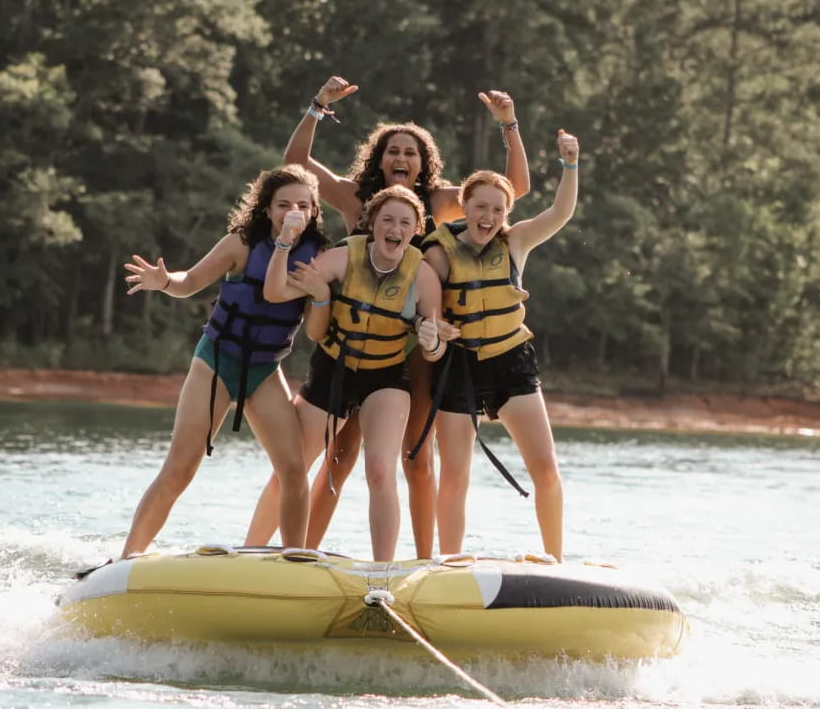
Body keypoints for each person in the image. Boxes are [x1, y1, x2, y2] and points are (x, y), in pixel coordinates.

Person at [245, 75, 530, 558]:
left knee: (414, 457)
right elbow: (295, 162)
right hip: (350, 339)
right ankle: (296, 555)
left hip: (413, 346)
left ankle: (423, 563)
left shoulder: (440, 201)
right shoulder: (356, 197)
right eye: (393, 151)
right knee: (336, 456)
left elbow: (512, 189)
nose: (401, 159)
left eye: (411, 152)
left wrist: (509, 125)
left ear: (425, 163)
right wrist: (318, 105)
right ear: (379, 158)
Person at [119, 164, 331, 559]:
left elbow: (318, 324)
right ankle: (126, 559)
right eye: (283, 204)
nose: (293, 211)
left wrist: (321, 293)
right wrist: (164, 281)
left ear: (315, 210)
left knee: (294, 471)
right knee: (181, 468)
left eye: (303, 204)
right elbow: (191, 282)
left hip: (266, 369)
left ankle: (295, 560)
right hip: (217, 361)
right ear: (267, 209)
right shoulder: (242, 243)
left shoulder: (318, 256)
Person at [260, 185, 449, 561]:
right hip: (333, 369)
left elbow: (436, 348)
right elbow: (277, 291)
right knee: (291, 467)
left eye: (405, 222)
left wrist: (430, 342)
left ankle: (383, 573)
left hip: (385, 377)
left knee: (380, 470)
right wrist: (286, 249)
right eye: (387, 219)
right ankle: (251, 551)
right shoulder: (342, 258)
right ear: (372, 224)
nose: (395, 228)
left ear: (415, 230)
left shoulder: (423, 277)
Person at [421, 129, 580, 563]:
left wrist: (570, 164)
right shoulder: (438, 251)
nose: (488, 216)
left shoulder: (516, 242)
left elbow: (561, 213)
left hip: (512, 365)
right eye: (480, 207)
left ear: (506, 213)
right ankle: (451, 564)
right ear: (465, 207)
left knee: (546, 470)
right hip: (458, 369)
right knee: (454, 475)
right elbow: (423, 304)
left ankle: (555, 560)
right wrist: (432, 326)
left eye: (497, 209)